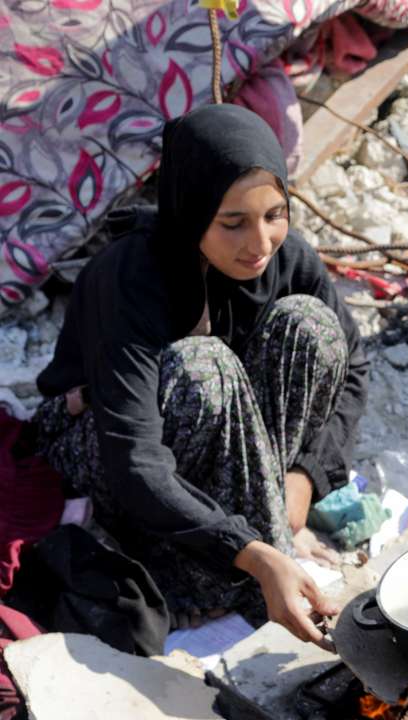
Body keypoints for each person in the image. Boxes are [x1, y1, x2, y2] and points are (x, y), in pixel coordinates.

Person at [32, 105, 369, 648]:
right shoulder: (132, 280)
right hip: (99, 442)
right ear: (190, 213)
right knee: (204, 367)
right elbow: (136, 460)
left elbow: (352, 367)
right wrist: (254, 552)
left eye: (274, 214)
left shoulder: (286, 260)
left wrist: (304, 478)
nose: (259, 244)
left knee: (311, 328)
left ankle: (263, 529)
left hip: (214, 432)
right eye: (232, 223)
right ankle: (226, 564)